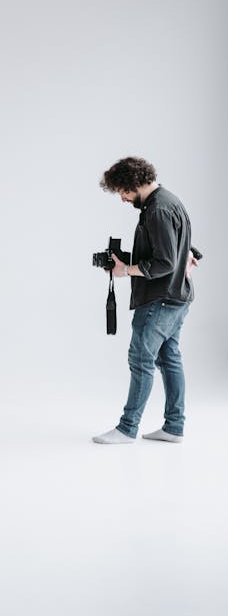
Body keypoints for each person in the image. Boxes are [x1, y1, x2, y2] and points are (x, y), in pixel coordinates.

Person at [93, 157, 200, 445]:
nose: (123, 198)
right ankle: (174, 427)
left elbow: (164, 262)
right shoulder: (170, 201)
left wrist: (125, 270)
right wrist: (126, 262)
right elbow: (176, 249)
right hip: (177, 296)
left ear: (133, 183)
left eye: (122, 192)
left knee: (141, 358)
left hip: (160, 299)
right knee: (168, 359)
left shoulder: (157, 209)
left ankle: (128, 428)